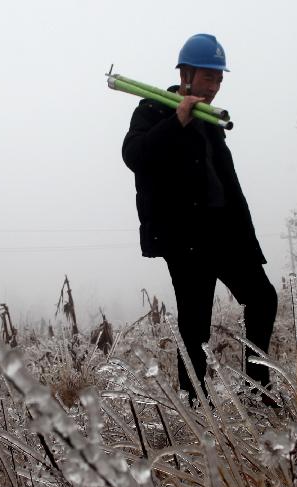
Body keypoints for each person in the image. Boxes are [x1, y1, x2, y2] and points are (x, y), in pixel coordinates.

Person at [121, 33, 278, 406]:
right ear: (186, 74)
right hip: (185, 238)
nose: (214, 86)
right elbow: (134, 155)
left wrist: (248, 238)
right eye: (208, 77)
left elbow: (227, 183)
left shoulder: (210, 120)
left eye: (219, 79)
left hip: (226, 233)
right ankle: (193, 405)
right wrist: (177, 120)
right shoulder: (153, 109)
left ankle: (256, 390)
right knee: (195, 325)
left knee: (262, 298)